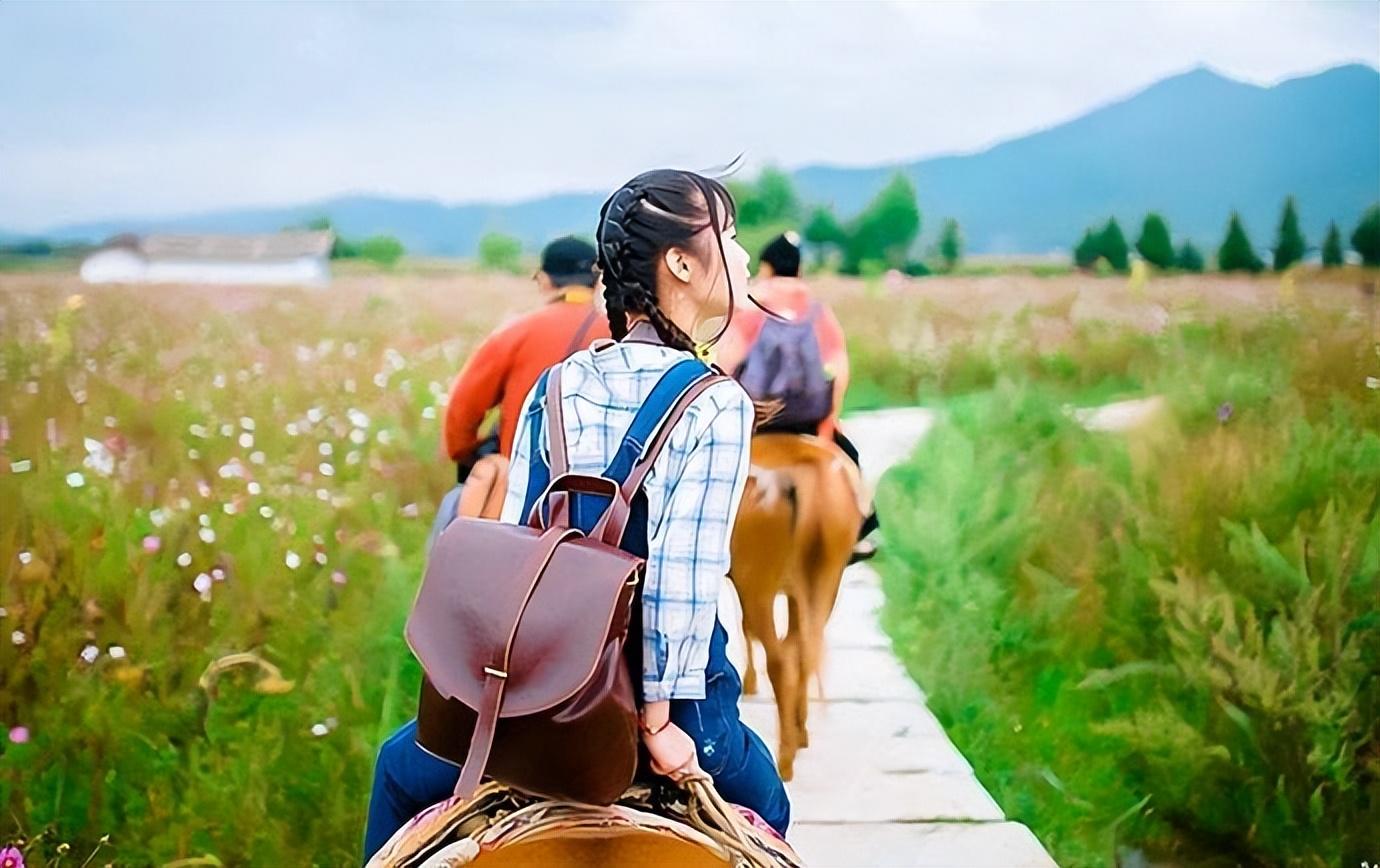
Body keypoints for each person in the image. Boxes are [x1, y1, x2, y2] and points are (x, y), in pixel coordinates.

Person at [364, 170, 789, 861]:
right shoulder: (715, 403)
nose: (743, 258)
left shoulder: (556, 384)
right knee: (767, 802)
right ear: (681, 263)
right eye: (731, 238)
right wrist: (657, 721)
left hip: (543, 685)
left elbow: (517, 545)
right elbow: (683, 580)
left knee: (397, 772)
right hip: (673, 701)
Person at [715, 232, 880, 554]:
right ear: (800, 267)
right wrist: (828, 420)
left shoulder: (748, 303)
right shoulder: (816, 309)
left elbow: (727, 361)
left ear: (765, 265)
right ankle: (860, 530)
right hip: (806, 417)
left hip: (756, 419)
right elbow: (838, 368)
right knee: (851, 461)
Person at [441, 236, 610, 478]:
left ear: (544, 280)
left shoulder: (514, 333)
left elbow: (462, 411)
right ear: (597, 280)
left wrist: (472, 457)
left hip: (521, 485)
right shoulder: (622, 333)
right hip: (608, 490)